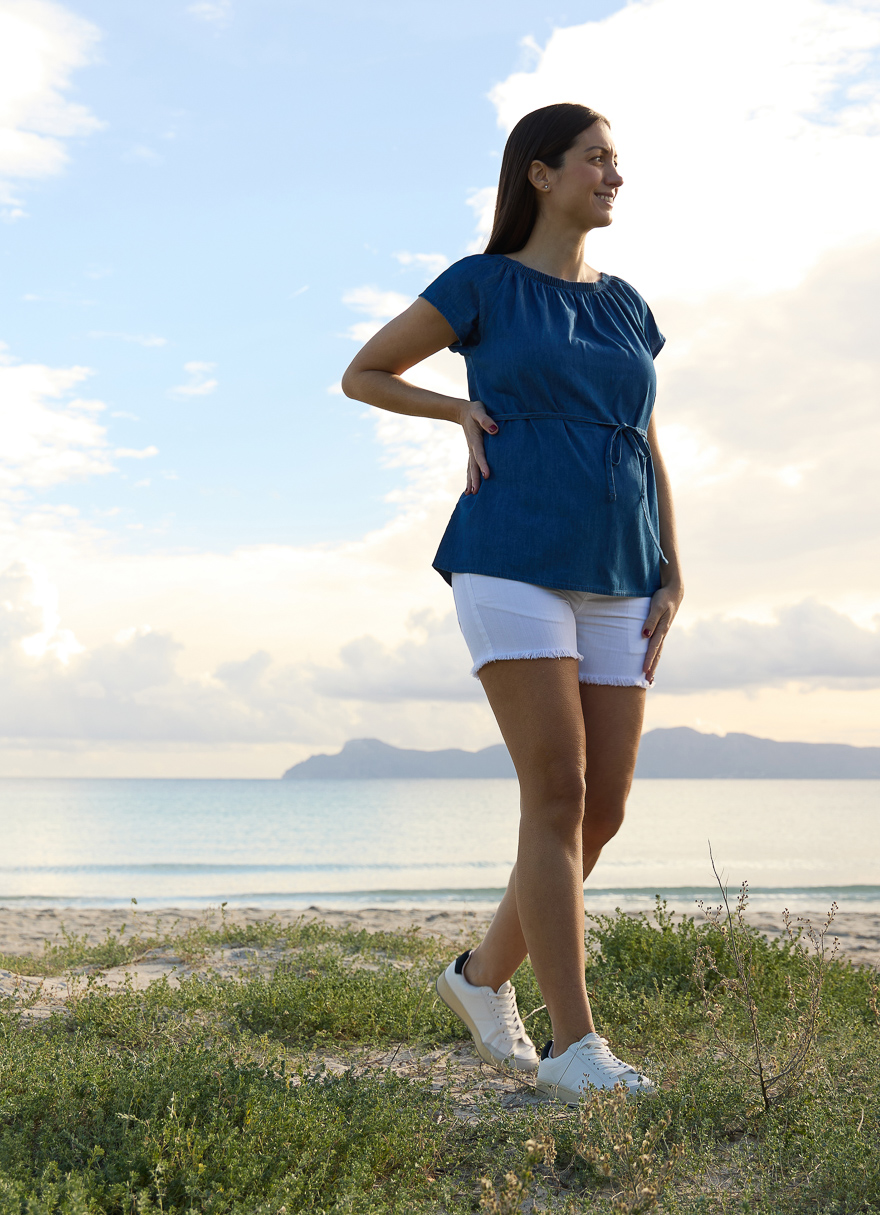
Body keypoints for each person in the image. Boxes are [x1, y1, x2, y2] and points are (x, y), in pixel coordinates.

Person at [342, 102, 683, 1104]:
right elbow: (365, 373)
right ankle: (578, 1050)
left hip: (622, 566)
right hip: (512, 554)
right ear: (540, 174)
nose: (614, 176)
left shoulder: (627, 306)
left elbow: (644, 437)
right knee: (558, 792)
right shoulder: (481, 285)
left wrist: (672, 564)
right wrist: (455, 407)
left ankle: (480, 979)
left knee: (604, 808)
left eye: (618, 162)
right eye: (596, 159)